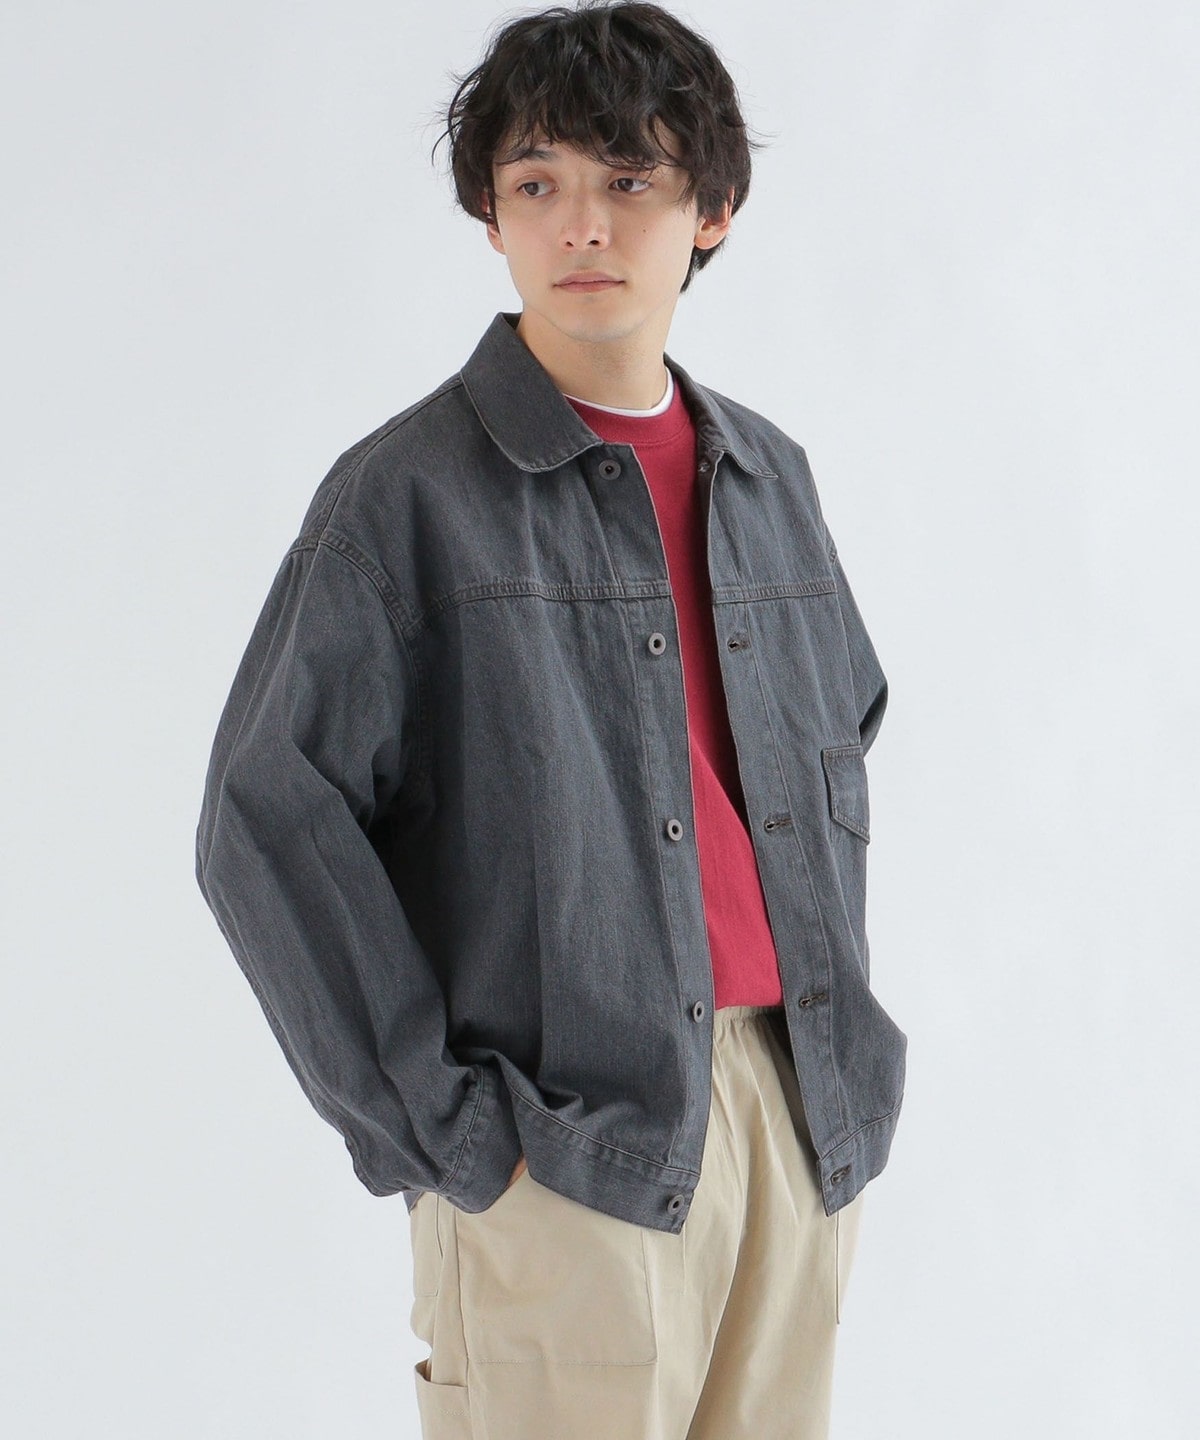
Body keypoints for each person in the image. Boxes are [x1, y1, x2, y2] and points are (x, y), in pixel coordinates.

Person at [194, 3, 908, 1436]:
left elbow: (840, 737)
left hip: (795, 1114)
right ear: (492, 217)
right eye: (538, 184)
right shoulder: (405, 497)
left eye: (628, 179)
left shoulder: (770, 476)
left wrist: (835, 1077)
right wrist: (451, 1133)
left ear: (711, 211)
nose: (583, 224)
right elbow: (265, 816)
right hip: (565, 1152)